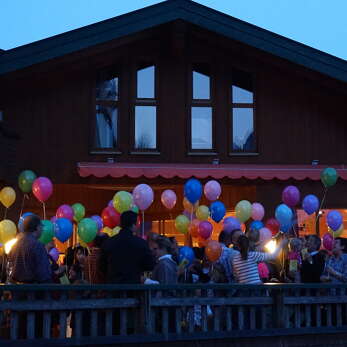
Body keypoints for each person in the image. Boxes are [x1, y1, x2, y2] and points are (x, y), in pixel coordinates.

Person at [100, 211, 155, 283]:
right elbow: (149, 265)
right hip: (134, 286)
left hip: (114, 287)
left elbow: (102, 265)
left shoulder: (109, 242)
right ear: (133, 225)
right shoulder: (141, 243)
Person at [8, 214, 52, 283]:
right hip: (32, 290)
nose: (42, 230)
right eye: (41, 227)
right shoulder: (37, 245)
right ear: (37, 228)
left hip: (16, 290)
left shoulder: (15, 244)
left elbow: (10, 267)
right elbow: (44, 275)